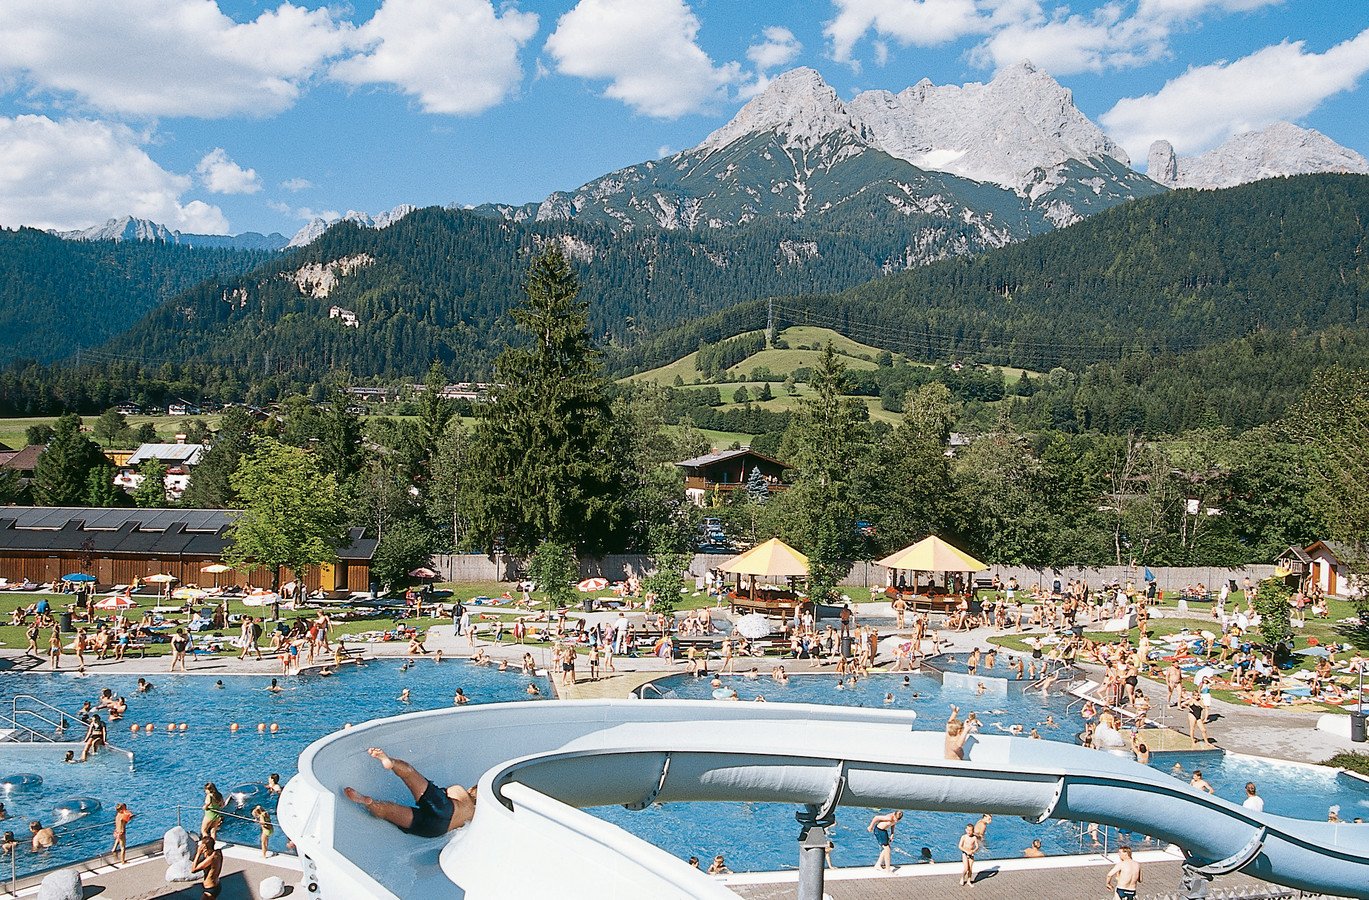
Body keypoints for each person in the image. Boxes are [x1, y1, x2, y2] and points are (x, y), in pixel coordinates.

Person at [343, 748, 477, 837]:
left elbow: (447, 794)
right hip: (435, 830)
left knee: (410, 774)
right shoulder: (473, 815)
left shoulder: (461, 791)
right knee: (387, 811)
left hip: (444, 808)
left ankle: (392, 763)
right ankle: (368, 802)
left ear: (471, 789)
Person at [191, 833, 223, 899]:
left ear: (205, 847)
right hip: (216, 885)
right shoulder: (218, 853)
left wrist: (198, 853)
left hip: (210, 889)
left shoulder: (210, 859)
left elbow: (193, 869)